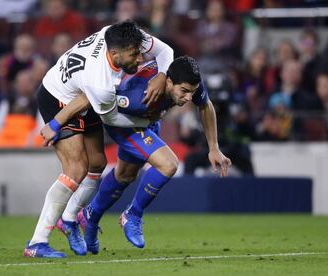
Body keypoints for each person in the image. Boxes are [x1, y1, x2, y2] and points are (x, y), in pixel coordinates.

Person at [44, 56, 231, 253]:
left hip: (147, 122)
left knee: (125, 175)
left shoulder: (186, 80)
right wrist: (56, 123)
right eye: (184, 91)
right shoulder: (136, 95)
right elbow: (91, 97)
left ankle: (90, 215)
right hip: (123, 122)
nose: (188, 98)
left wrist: (214, 147)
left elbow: (205, 105)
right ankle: (132, 215)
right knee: (168, 164)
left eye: (192, 92)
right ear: (168, 81)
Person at [23, 20, 174, 258]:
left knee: (97, 164)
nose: (140, 59)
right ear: (114, 53)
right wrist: (145, 122)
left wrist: (162, 75)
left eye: (140, 52)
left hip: (82, 93)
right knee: (76, 169)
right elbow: (112, 120)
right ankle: (37, 242)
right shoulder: (100, 82)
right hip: (58, 98)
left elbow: (166, 51)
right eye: (134, 55)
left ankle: (69, 220)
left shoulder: (116, 33)